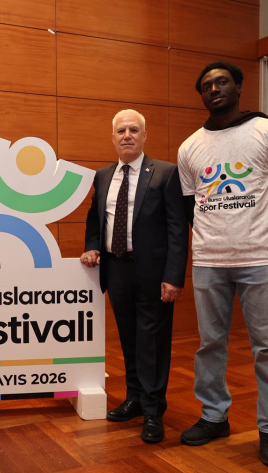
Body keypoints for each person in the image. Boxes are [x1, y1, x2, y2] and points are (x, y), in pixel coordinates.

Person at [178, 61, 268, 468]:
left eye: (222, 82)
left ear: (238, 87)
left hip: (260, 259)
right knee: (209, 344)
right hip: (208, 261)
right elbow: (190, 208)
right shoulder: (189, 147)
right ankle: (214, 417)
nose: (214, 89)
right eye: (206, 86)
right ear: (201, 95)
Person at [81, 109, 188, 443]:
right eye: (121, 130)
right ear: (113, 137)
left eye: (133, 130)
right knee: (128, 338)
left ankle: (154, 410)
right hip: (116, 269)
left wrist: (174, 276)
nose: (127, 135)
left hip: (154, 273)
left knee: (152, 341)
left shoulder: (166, 173)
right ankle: (135, 399)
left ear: (144, 136)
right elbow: (95, 219)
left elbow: (177, 229)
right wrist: (92, 246)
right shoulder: (102, 176)